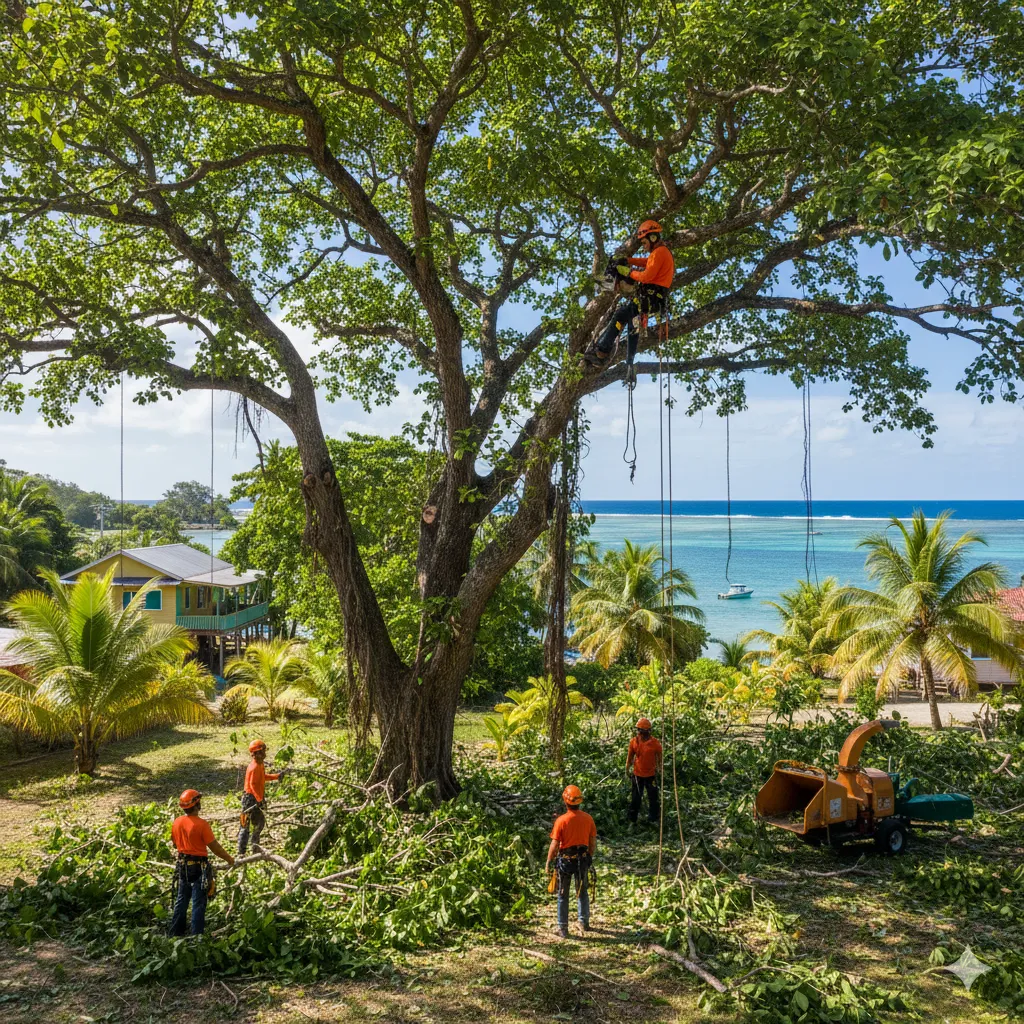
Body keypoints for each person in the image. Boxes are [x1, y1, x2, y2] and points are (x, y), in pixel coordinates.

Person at [583, 220, 675, 368]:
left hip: (650, 298)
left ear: (653, 238)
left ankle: (601, 352)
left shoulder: (660, 252)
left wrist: (628, 271)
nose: (644, 246)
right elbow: (646, 262)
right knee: (629, 320)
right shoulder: (658, 253)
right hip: (649, 298)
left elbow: (646, 277)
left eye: (644, 242)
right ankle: (623, 360)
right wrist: (628, 260)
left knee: (621, 314)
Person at [170, 789, 234, 937]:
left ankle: (175, 934)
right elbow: (215, 847)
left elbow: (174, 844)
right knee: (198, 903)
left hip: (182, 866)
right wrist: (230, 859)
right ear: (197, 804)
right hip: (198, 868)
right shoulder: (202, 825)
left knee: (182, 900)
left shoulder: (177, 822)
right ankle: (196, 936)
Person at [545, 784, 597, 939]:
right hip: (582, 859)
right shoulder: (588, 819)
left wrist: (548, 861)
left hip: (566, 861)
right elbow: (592, 842)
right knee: (582, 890)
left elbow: (554, 845)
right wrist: (588, 857)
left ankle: (563, 928)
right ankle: (583, 921)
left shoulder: (561, 821)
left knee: (562, 894)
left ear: (565, 802)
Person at [238, 738, 284, 854]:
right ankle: (241, 853)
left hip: (258, 797)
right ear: (256, 754)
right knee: (245, 826)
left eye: (264, 751)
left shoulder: (260, 764)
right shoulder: (253, 767)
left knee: (260, 823)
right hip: (249, 799)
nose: (264, 754)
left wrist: (276, 776)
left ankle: (255, 846)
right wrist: (259, 800)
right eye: (262, 751)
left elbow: (263, 777)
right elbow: (252, 785)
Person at [627, 717, 663, 824]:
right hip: (637, 775)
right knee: (635, 798)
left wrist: (660, 769)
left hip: (651, 775)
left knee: (653, 798)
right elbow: (629, 757)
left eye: (642, 731)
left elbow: (660, 758)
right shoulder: (634, 741)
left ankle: (654, 819)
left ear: (648, 731)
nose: (640, 733)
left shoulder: (655, 743)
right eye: (639, 730)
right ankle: (632, 820)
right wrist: (627, 769)